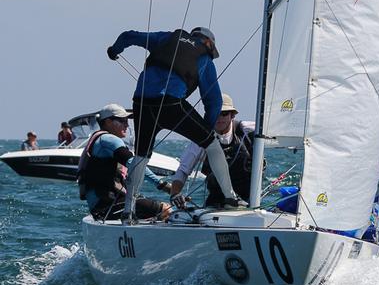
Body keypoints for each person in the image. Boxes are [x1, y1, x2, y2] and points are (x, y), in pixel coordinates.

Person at [106, 27, 245, 222]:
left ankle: (128, 211)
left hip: (141, 102)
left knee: (141, 155)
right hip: (171, 104)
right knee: (212, 145)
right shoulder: (204, 58)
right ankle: (231, 198)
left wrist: (115, 50)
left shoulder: (167, 38)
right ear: (209, 44)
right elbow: (213, 102)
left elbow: (129, 36)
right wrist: (205, 131)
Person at [77, 103, 172, 221]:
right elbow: (136, 165)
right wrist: (163, 185)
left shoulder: (98, 139)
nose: (127, 125)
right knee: (166, 210)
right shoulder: (108, 140)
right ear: (107, 122)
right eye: (122, 120)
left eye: (127, 121)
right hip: (108, 207)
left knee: (154, 212)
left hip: (102, 208)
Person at [170, 94, 254, 209]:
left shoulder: (246, 129)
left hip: (250, 198)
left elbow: (278, 132)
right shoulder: (201, 139)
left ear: (232, 115)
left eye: (224, 114)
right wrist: (175, 193)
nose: (219, 118)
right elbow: (183, 170)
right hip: (217, 199)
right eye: (215, 113)